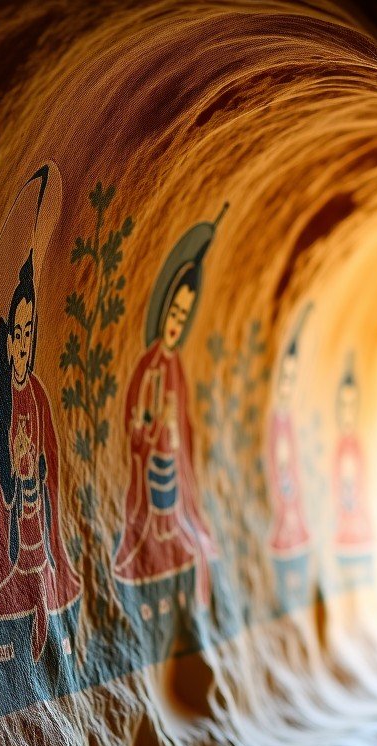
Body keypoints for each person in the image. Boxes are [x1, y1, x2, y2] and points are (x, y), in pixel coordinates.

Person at [0, 253, 80, 664]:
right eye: (18, 334)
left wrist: (38, 474)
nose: (24, 344)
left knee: (64, 588)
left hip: (39, 538)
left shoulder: (40, 397)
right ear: (7, 340)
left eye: (30, 333)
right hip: (7, 543)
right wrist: (14, 475)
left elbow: (54, 477)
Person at [113, 211, 225, 608]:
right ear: (163, 314)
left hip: (173, 479)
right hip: (151, 480)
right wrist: (150, 427)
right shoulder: (149, 366)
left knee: (193, 543)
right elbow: (135, 423)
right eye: (174, 315)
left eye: (184, 316)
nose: (177, 324)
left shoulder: (176, 365)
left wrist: (176, 436)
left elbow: (186, 427)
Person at [267, 309, 312, 560]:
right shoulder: (275, 421)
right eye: (284, 378)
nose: (286, 385)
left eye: (291, 378)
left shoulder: (289, 420)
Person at [333, 353, 373, 553]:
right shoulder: (340, 448)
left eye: (352, 406)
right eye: (344, 406)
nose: (348, 413)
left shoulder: (356, 447)